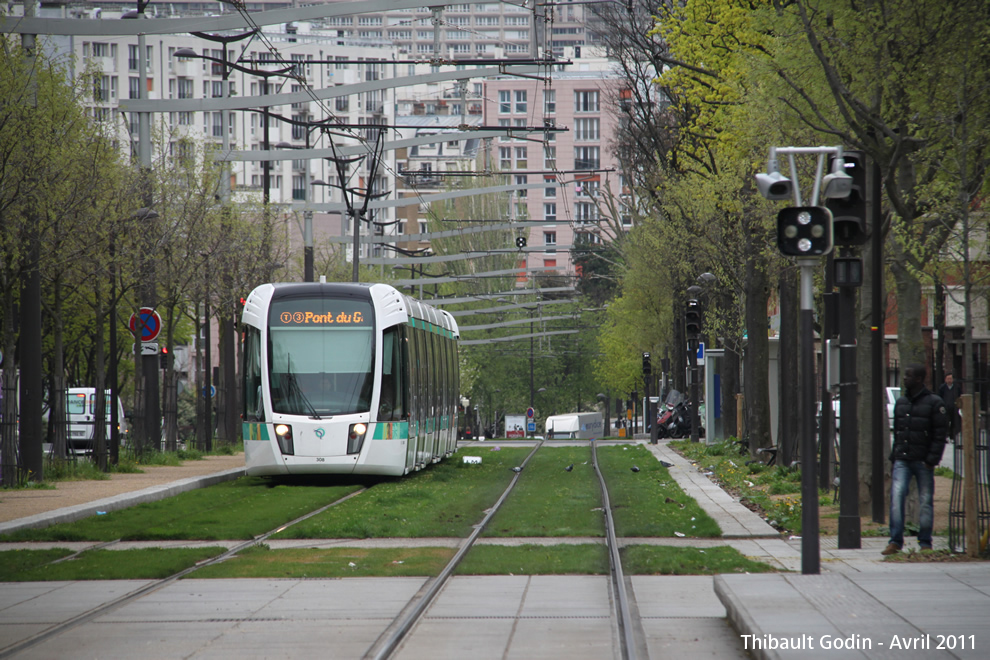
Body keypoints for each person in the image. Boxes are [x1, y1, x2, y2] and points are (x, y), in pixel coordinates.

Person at [883, 363, 948, 555]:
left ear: (919, 379)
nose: (904, 379)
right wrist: (895, 455)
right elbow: (899, 431)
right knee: (896, 499)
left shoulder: (935, 403)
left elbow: (940, 433)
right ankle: (895, 540)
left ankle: (925, 542)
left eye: (908, 376)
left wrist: (931, 460)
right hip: (903, 458)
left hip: (923, 461)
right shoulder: (902, 402)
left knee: (925, 500)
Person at [936, 372, 961, 439]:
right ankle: (946, 435)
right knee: (945, 422)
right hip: (945, 407)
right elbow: (939, 396)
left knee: (954, 422)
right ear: (945, 379)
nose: (949, 380)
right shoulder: (942, 387)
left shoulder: (957, 387)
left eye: (951, 378)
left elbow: (959, 396)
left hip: (954, 407)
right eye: (948, 378)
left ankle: (952, 436)